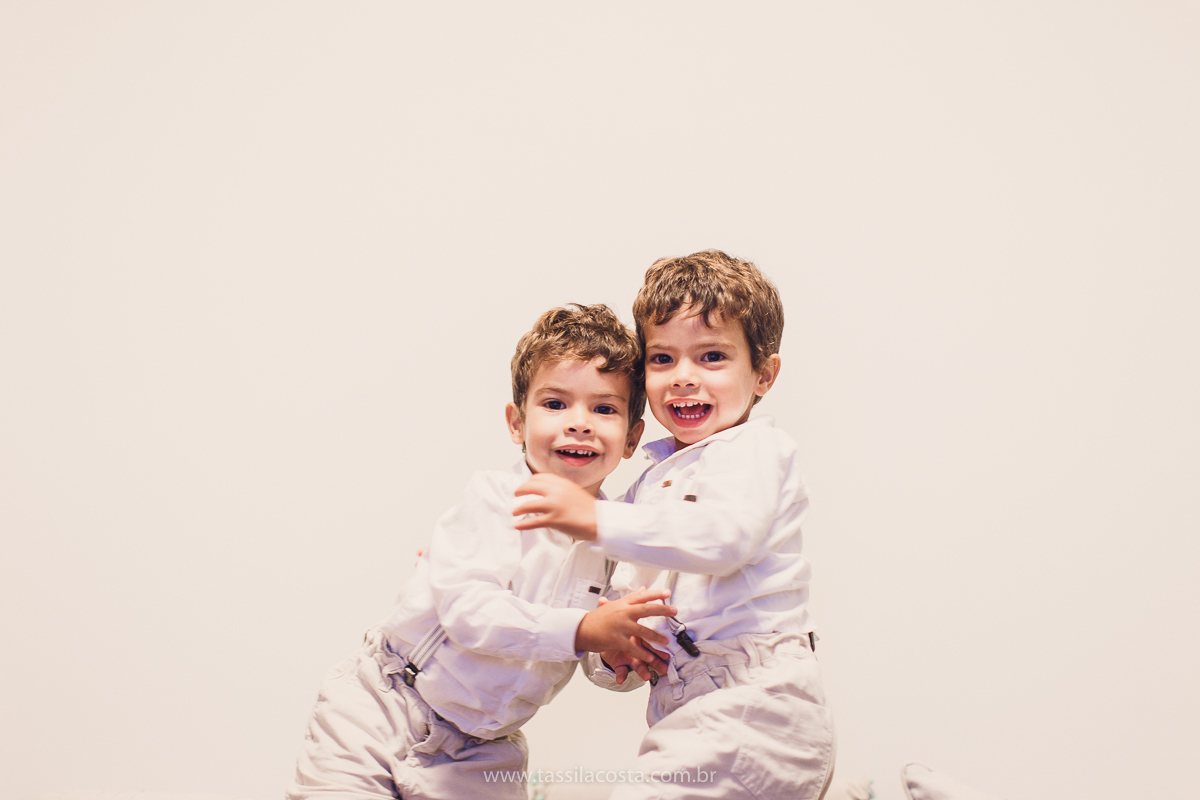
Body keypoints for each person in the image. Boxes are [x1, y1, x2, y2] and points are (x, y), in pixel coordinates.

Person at [288, 303, 677, 800]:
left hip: (482, 750)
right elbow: (472, 614)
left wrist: (616, 652)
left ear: (631, 437)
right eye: (555, 404)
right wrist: (582, 630)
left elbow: (602, 663)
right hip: (386, 707)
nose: (579, 423)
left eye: (603, 409)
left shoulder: (616, 539)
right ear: (516, 423)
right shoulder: (493, 501)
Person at [515, 251, 836, 800]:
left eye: (711, 356)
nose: (683, 378)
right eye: (662, 359)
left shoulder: (755, 451)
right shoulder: (646, 489)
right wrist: (616, 648)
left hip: (754, 702)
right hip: (685, 709)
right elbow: (624, 608)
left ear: (763, 373)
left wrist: (592, 517)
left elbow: (722, 539)